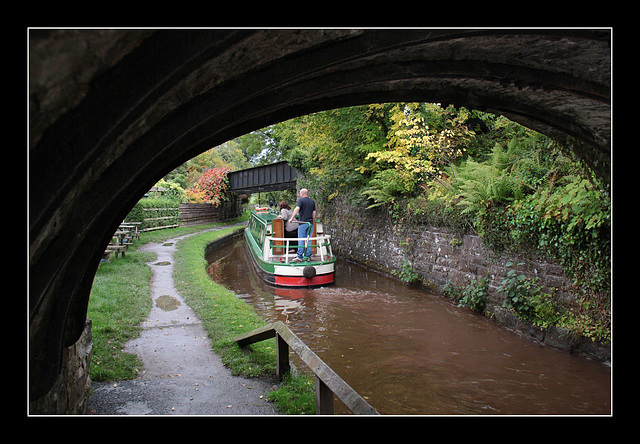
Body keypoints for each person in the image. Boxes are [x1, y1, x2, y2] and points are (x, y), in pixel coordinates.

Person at [288, 188, 316, 262]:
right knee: (309, 240)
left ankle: (299, 256)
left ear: (302, 194)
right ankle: (308, 256)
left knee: (301, 239)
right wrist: (313, 220)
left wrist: (291, 218)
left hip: (302, 223)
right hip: (310, 223)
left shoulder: (301, 201)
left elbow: (297, 208)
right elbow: (314, 213)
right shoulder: (312, 201)